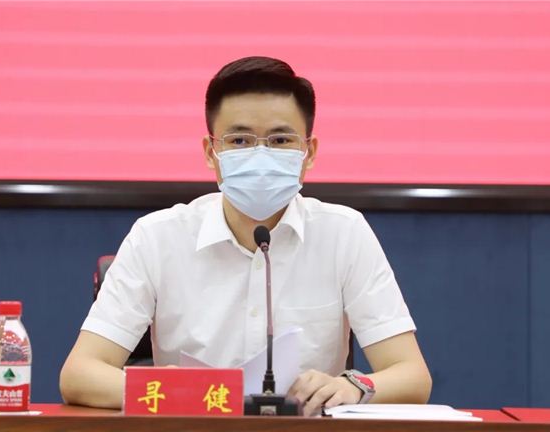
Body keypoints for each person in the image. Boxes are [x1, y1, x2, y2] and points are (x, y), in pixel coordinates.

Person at [60, 56, 432, 416]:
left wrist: (354, 386)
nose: (260, 155)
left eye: (280, 140)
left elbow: (412, 376)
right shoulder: (157, 237)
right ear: (211, 152)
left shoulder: (344, 234)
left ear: (309, 153)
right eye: (239, 141)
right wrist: (178, 390)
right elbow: (80, 374)